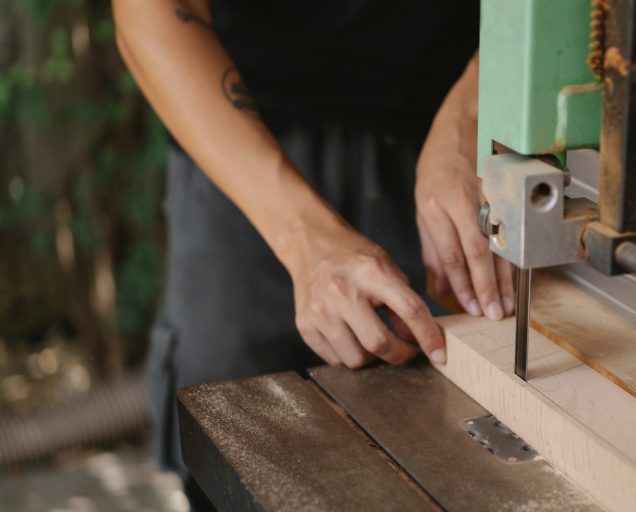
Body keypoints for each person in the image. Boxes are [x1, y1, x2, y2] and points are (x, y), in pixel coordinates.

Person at [113, 0, 512, 507]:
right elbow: (151, 14)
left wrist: (477, 106)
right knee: (229, 441)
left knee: (476, 451)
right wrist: (306, 239)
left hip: (455, 135)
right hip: (238, 137)